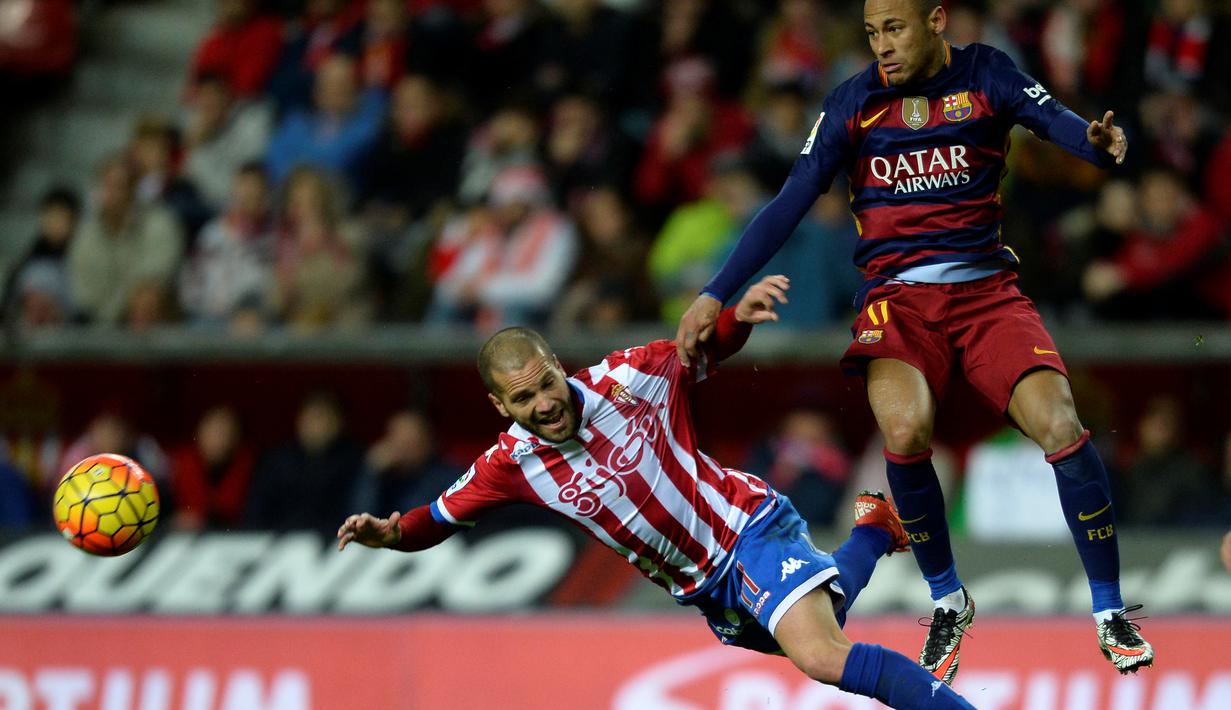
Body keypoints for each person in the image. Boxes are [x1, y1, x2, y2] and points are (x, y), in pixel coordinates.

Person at [675, 0, 1153, 682]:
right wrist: (714, 291)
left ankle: (1108, 610)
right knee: (902, 433)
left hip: (985, 292)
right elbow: (790, 198)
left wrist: (1093, 141)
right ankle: (948, 600)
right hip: (897, 301)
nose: (881, 47)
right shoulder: (852, 102)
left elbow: (1052, 121)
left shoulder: (987, 74)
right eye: (870, 33)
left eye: (892, 29)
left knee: (1061, 425)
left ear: (935, 20)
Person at [339, 276, 977, 709]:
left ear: (560, 367)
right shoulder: (510, 464)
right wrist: (391, 534)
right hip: (703, 586)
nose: (545, 405)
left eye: (547, 385)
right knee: (825, 625)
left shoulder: (630, 377)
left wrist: (737, 318)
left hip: (743, 527)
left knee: (820, 655)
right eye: (524, 399)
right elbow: (437, 518)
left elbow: (702, 348)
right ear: (499, 405)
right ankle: (874, 529)